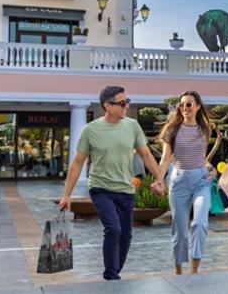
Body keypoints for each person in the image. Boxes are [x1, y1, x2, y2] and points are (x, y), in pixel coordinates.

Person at [59, 86, 165, 281]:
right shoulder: (90, 130)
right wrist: (67, 195)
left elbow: (146, 154)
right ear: (107, 106)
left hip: (126, 189)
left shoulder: (132, 126)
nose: (126, 106)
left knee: (126, 235)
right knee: (113, 229)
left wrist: (160, 179)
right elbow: (77, 163)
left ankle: (115, 271)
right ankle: (111, 275)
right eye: (122, 103)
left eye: (127, 102)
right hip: (100, 189)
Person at [158, 90, 215, 275]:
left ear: (198, 106)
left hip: (201, 181)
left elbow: (201, 157)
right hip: (179, 181)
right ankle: (179, 271)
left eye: (189, 104)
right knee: (180, 230)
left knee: (200, 223)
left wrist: (211, 168)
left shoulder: (205, 129)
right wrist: (159, 180)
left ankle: (194, 271)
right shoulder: (172, 129)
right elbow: (165, 159)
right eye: (181, 105)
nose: (184, 108)